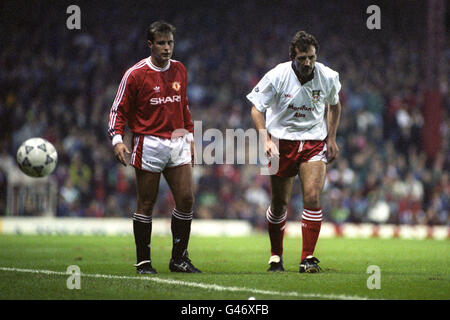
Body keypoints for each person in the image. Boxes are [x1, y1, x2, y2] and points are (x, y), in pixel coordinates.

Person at [108, 21, 200, 274]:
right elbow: (118, 110)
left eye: (170, 42)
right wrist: (117, 139)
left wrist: (190, 137)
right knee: (146, 203)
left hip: (178, 141)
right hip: (149, 143)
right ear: (150, 44)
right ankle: (143, 262)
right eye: (161, 43)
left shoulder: (180, 69)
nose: (167, 47)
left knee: (186, 199)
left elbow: (184, 107)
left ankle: (178, 259)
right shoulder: (135, 74)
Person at [247, 31, 342, 273]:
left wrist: (331, 138)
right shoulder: (277, 75)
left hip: (312, 142)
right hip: (281, 143)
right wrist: (265, 138)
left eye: (311, 57)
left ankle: (307, 258)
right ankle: (275, 256)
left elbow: (335, 104)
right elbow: (256, 110)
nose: (307, 63)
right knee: (279, 204)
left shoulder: (328, 76)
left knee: (312, 196)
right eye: (302, 58)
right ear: (293, 57)